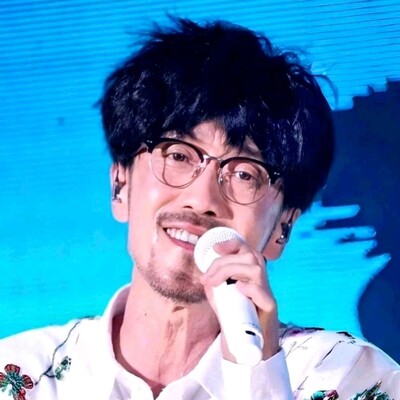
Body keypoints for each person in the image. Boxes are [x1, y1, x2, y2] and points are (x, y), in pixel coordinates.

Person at [0, 18, 398, 400]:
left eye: (244, 173)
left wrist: (257, 378)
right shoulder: (19, 376)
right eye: (178, 154)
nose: (202, 199)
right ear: (120, 185)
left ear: (283, 228)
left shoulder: (349, 378)